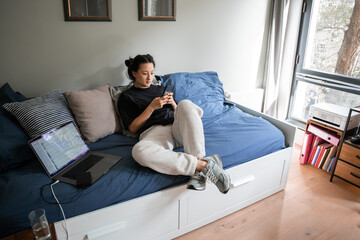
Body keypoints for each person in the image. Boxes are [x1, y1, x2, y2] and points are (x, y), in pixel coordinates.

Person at [117, 54, 231, 194]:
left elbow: (184, 114)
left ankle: (198, 168)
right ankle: (202, 165)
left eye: (152, 73)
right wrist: (151, 107)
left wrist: (173, 104)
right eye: (145, 73)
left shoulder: (160, 89)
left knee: (185, 104)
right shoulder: (127, 96)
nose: (149, 78)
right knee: (139, 151)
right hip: (155, 132)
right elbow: (133, 128)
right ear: (134, 73)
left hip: (178, 127)